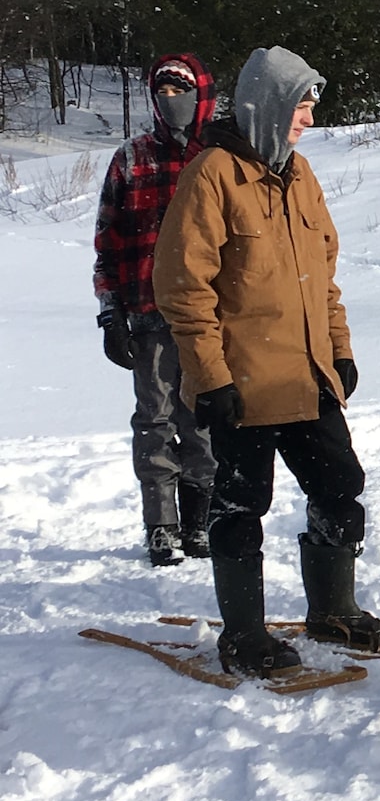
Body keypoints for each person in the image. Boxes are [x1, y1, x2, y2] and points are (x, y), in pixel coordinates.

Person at [152, 45, 380, 677]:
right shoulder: (213, 175)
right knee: (241, 507)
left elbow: (323, 280)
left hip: (307, 377)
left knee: (340, 489)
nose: (310, 120)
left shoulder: (301, 175)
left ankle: (334, 611)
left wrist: (339, 351)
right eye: (301, 106)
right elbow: (183, 288)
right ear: (266, 105)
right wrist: (210, 377)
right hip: (241, 385)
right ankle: (243, 636)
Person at [93, 53, 218, 566]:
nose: (171, 102)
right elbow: (108, 243)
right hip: (147, 317)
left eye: (180, 92)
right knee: (155, 422)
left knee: (205, 418)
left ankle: (201, 519)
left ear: (201, 95)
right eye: (162, 93)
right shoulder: (132, 158)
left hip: (209, 316)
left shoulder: (218, 156)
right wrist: (111, 314)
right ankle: (162, 525)